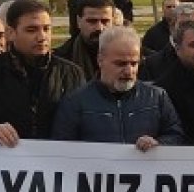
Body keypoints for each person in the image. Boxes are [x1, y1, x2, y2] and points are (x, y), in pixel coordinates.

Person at [0, 0, 84, 146]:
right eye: (32, 30)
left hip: (56, 162)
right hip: (6, 162)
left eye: (46, 29)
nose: (42, 37)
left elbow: (83, 125)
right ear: (11, 33)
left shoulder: (71, 73)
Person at [52, 27, 184, 150]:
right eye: (120, 64)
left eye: (134, 63)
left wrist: (158, 144)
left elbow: (176, 136)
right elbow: (63, 149)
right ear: (100, 60)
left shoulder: (156, 97)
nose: (128, 71)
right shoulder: (75, 102)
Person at [55, 0, 114, 81]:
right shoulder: (60, 61)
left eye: (105, 21)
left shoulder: (128, 57)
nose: (99, 28)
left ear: (113, 21)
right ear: (79, 21)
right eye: (92, 21)